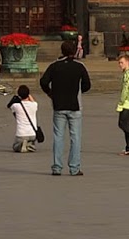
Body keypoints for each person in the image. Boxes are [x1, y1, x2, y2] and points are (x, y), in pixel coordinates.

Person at [39, 38, 93, 176]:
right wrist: (78, 90)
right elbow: (87, 85)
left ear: (62, 51)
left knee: (58, 137)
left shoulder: (54, 66)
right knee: (75, 138)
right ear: (74, 51)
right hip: (75, 106)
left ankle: (57, 167)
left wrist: (50, 93)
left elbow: (43, 81)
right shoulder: (79, 66)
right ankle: (74, 168)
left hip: (59, 105)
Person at [9, 84, 40, 153]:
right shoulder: (34, 105)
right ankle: (29, 145)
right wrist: (28, 95)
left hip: (21, 134)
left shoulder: (16, 106)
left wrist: (16, 95)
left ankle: (22, 145)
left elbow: (10, 105)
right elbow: (33, 101)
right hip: (32, 133)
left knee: (15, 146)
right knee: (31, 142)